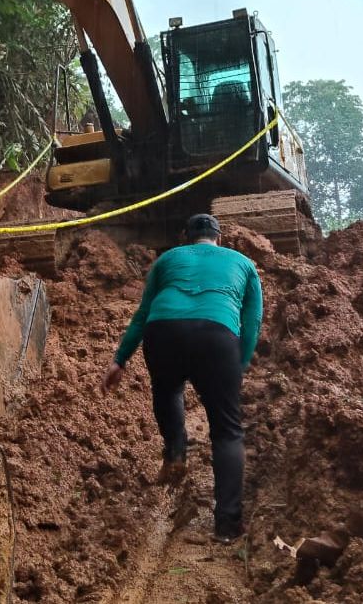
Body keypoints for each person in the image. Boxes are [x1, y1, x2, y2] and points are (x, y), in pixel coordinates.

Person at [101, 213, 263, 543]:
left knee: (167, 389)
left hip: (163, 332)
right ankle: (227, 526)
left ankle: (175, 453)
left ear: (185, 237)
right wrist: (240, 362)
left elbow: (143, 313)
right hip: (218, 336)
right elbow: (252, 319)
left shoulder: (168, 259)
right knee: (227, 431)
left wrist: (120, 359)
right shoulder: (243, 263)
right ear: (219, 238)